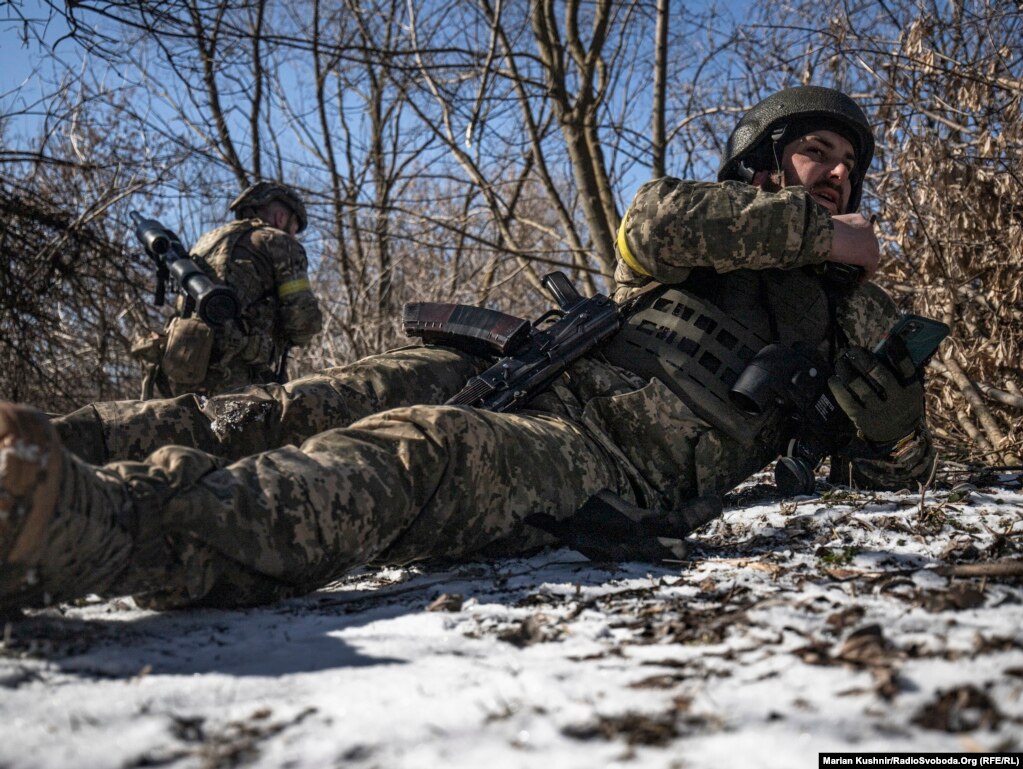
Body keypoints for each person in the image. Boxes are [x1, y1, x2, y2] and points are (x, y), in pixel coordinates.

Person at [0, 86, 935, 612]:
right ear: (764, 160)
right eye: (817, 151)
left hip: (606, 461)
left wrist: (895, 436)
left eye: (850, 163)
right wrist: (818, 234)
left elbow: (882, 489)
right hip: (532, 363)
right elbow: (647, 223)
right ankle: (51, 442)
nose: (841, 171)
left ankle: (82, 526)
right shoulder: (711, 218)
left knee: (418, 449)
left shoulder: (856, 313)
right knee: (292, 405)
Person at [133, 181, 323, 398]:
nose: (294, 236)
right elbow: (303, 322)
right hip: (239, 373)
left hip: (186, 363)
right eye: (294, 228)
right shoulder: (278, 242)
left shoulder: (206, 241)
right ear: (281, 217)